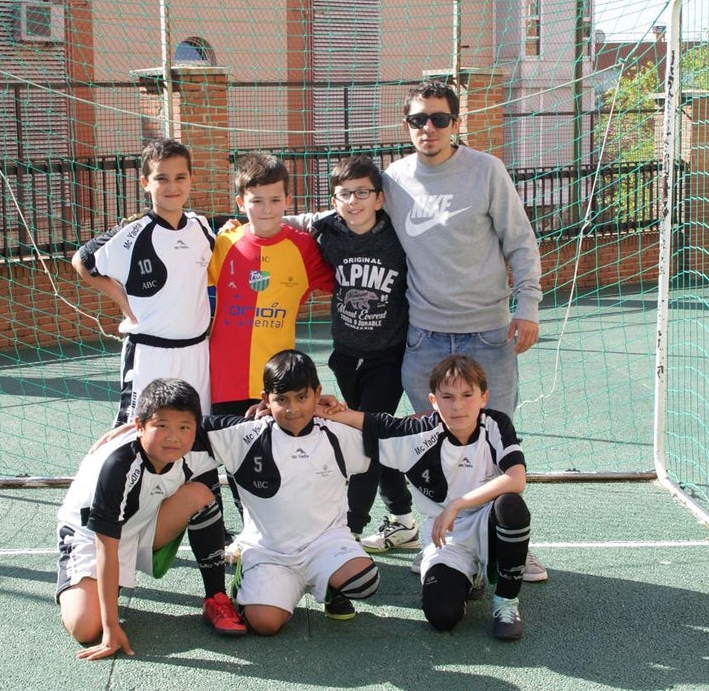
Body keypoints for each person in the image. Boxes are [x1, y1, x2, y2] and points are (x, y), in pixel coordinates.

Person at [382, 80, 547, 583]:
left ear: (456, 123)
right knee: (431, 447)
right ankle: (441, 541)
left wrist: (530, 306)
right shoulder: (393, 179)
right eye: (417, 120)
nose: (427, 128)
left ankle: (512, 545)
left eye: (438, 119)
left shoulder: (486, 171)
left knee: (493, 446)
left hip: (488, 335)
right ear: (406, 125)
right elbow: (350, 213)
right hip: (425, 337)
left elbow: (520, 241)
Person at [325, 355, 532, 640]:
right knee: (442, 616)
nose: (458, 405)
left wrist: (457, 504)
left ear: (484, 397)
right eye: (447, 397)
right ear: (433, 401)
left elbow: (516, 478)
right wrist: (318, 407)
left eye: (467, 395)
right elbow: (372, 422)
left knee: (511, 505)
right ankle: (467, 576)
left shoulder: (495, 424)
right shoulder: (419, 434)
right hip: (445, 535)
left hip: (488, 523)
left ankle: (506, 601)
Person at [55, 378, 246, 660]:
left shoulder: (199, 440)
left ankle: (215, 597)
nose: (173, 436)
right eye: (162, 426)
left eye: (184, 427)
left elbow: (266, 425)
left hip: (142, 524)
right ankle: (92, 585)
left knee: (200, 494)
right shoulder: (117, 465)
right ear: (139, 425)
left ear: (196, 426)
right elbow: (105, 546)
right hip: (91, 538)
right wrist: (110, 627)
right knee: (85, 627)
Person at [287, 155, 418, 553]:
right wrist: (234, 224)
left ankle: (350, 531)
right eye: (344, 194)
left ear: (379, 198)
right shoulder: (327, 230)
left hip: (388, 356)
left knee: (365, 437)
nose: (353, 201)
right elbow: (287, 221)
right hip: (346, 355)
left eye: (362, 193)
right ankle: (404, 520)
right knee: (371, 437)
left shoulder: (400, 234)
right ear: (334, 200)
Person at [198, 349, 380, 635]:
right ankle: (250, 580)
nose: (292, 408)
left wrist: (341, 413)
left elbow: (389, 436)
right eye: (281, 400)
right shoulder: (246, 434)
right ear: (265, 400)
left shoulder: (337, 433)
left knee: (365, 581)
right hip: (270, 550)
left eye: (302, 397)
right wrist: (131, 433)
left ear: (318, 393)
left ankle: (332, 587)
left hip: (325, 542)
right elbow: (191, 427)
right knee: (265, 625)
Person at [72, 138, 214, 425]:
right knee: (136, 430)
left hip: (197, 350)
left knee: (195, 428)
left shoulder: (201, 226)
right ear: (145, 182)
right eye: (161, 178)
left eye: (179, 177)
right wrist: (123, 301)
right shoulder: (134, 231)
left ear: (191, 180)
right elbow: (82, 261)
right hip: (150, 353)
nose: (172, 186)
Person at [207, 152, 334, 416]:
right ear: (241, 203)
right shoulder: (224, 243)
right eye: (257, 201)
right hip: (224, 381)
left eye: (275, 200)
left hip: (279, 384)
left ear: (288, 200)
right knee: (229, 453)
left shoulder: (304, 248)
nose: (266, 209)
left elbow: (341, 286)